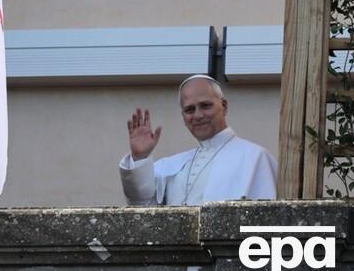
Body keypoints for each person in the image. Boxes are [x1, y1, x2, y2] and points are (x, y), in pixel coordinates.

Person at [118, 74, 277, 205]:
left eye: (206, 106)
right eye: (189, 110)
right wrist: (140, 158)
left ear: (224, 106)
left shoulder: (255, 157)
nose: (198, 115)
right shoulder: (172, 165)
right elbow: (141, 207)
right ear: (183, 117)